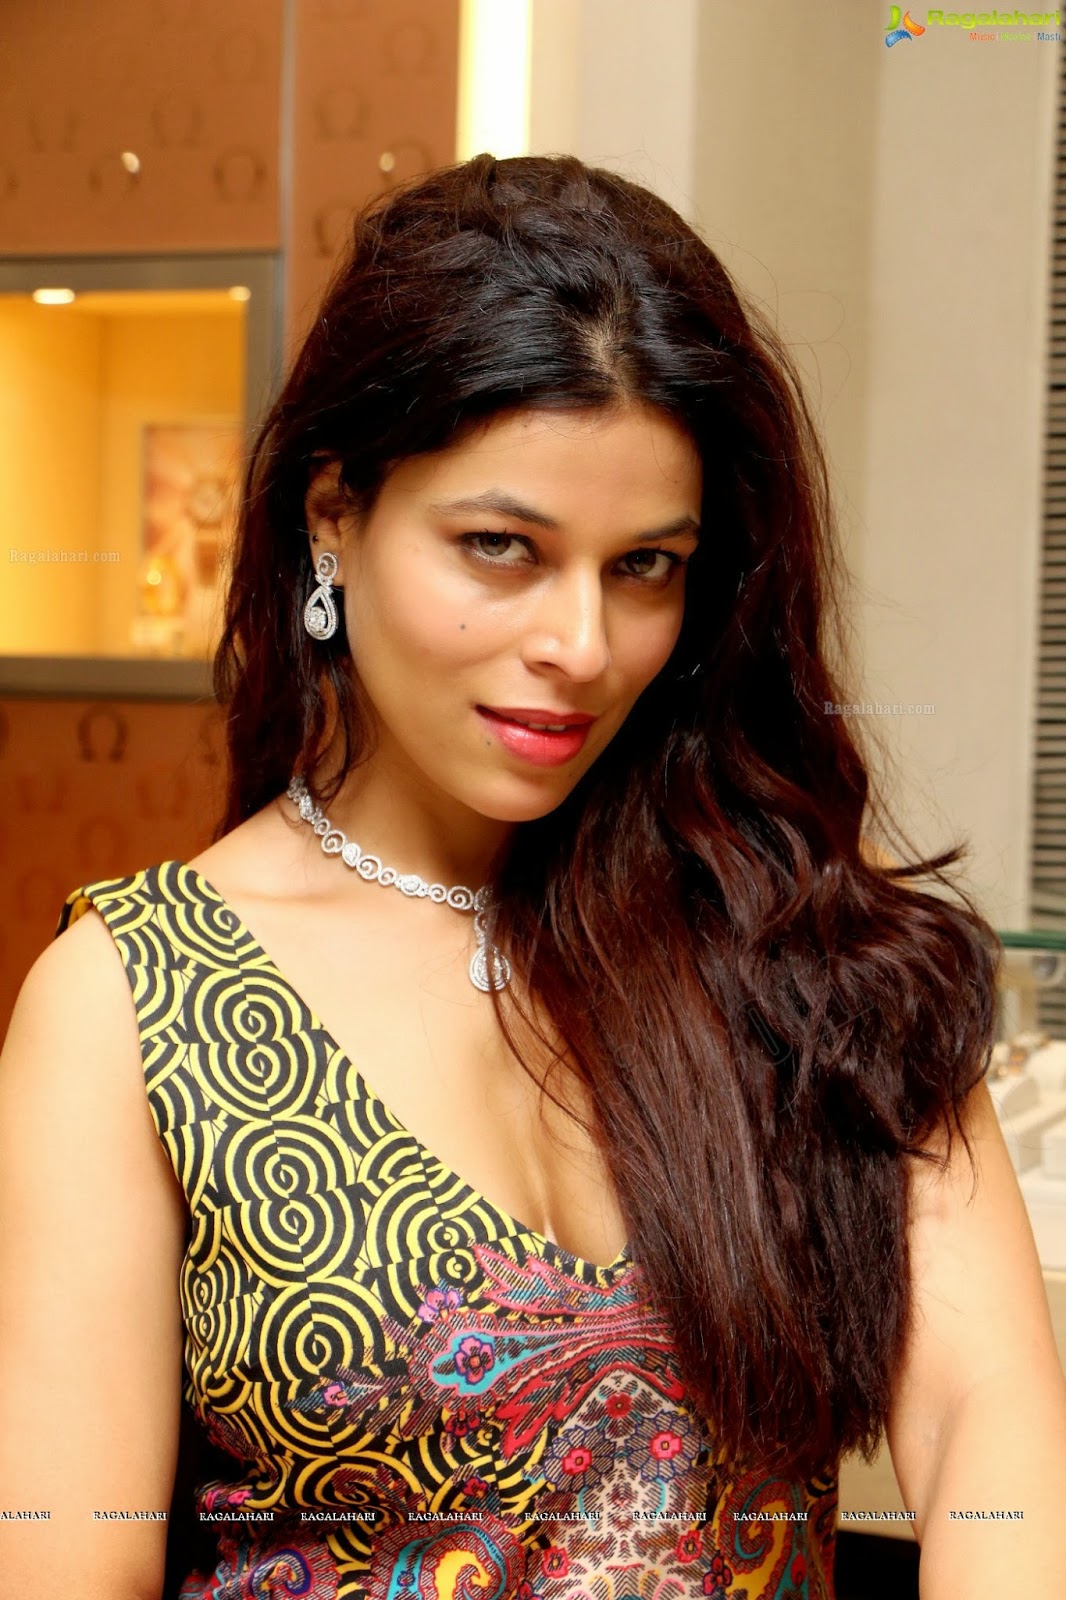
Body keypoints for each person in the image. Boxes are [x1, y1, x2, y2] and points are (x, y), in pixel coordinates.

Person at [1, 152, 1063, 1600]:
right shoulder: (132, 1003)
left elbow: (986, 1423)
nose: (580, 644)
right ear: (334, 516)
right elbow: (70, 1565)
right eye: (501, 548)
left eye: (645, 566)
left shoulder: (793, 925)